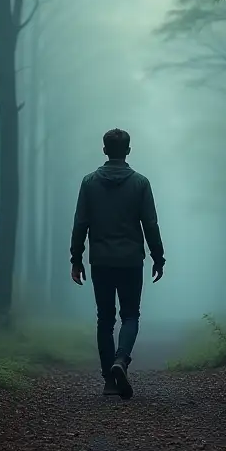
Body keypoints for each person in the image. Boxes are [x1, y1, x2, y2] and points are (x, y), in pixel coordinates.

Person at [70, 128, 165, 400]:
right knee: (130, 315)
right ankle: (121, 360)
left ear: (104, 150)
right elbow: (150, 224)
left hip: (100, 260)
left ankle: (109, 381)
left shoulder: (89, 183)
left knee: (105, 319)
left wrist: (76, 259)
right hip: (131, 260)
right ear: (128, 150)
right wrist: (158, 257)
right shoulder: (140, 183)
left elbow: (80, 224)